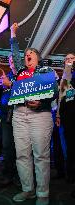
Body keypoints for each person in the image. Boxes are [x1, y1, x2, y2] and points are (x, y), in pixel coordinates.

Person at [10, 23, 58, 205]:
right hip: (19, 114)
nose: (27, 54)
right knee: (22, 155)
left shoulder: (46, 71)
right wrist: (13, 34)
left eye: (31, 53)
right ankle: (28, 190)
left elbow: (53, 92)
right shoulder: (21, 71)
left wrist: (42, 102)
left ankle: (43, 193)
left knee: (41, 155)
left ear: (38, 58)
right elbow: (15, 54)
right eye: (25, 54)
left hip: (40, 115)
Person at [0, 55, 19, 186]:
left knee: (20, 147)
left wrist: (10, 84)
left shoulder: (24, 75)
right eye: (10, 60)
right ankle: (8, 174)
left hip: (20, 114)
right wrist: (0, 86)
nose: (11, 62)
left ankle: (19, 175)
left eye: (14, 60)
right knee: (6, 146)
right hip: (6, 115)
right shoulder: (7, 75)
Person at [56, 53, 75, 184]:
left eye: (72, 58)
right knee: (69, 147)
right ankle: (70, 174)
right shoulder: (64, 78)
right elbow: (61, 98)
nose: (69, 61)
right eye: (67, 59)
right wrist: (58, 114)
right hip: (66, 115)